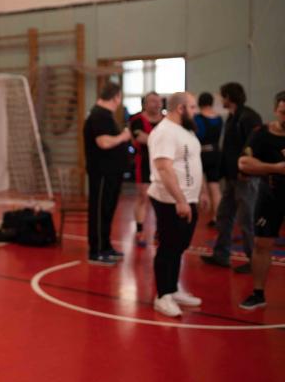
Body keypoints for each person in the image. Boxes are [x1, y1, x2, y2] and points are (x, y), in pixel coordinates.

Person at [147, 92, 208, 317]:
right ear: (180, 108)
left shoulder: (185, 130)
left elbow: (193, 162)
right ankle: (162, 296)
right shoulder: (164, 132)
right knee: (168, 247)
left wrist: (201, 191)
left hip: (188, 198)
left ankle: (172, 289)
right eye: (192, 107)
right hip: (170, 200)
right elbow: (164, 168)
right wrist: (180, 200)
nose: (195, 111)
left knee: (179, 246)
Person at [201, 83, 262, 273]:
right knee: (224, 215)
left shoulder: (248, 117)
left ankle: (255, 261)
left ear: (228, 97)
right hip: (232, 177)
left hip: (245, 178)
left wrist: (246, 170)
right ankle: (221, 254)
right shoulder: (232, 117)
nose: (220, 100)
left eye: (222, 96)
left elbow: (255, 146)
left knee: (247, 220)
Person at [237, 91, 285, 310]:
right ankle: (258, 293)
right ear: (276, 110)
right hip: (271, 196)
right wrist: (276, 168)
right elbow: (244, 164)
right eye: (283, 112)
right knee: (261, 244)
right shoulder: (261, 134)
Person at [83, 82, 132, 266]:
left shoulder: (105, 115)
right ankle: (96, 251)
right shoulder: (99, 115)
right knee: (100, 211)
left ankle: (105, 246)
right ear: (116, 97)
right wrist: (123, 136)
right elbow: (103, 142)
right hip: (102, 172)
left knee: (108, 211)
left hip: (111, 172)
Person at [129, 92, 163, 247]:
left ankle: (160, 231)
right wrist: (160, 141)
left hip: (162, 162)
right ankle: (140, 231)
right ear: (145, 104)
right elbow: (140, 138)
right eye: (153, 101)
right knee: (143, 196)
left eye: (159, 101)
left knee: (162, 198)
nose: (157, 104)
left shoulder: (166, 120)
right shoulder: (137, 119)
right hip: (143, 162)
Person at [194, 92, 224, 226]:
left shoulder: (198, 118)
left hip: (201, 153)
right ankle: (217, 217)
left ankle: (201, 212)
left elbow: (198, 135)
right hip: (216, 153)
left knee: (202, 187)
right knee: (215, 187)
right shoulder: (219, 118)